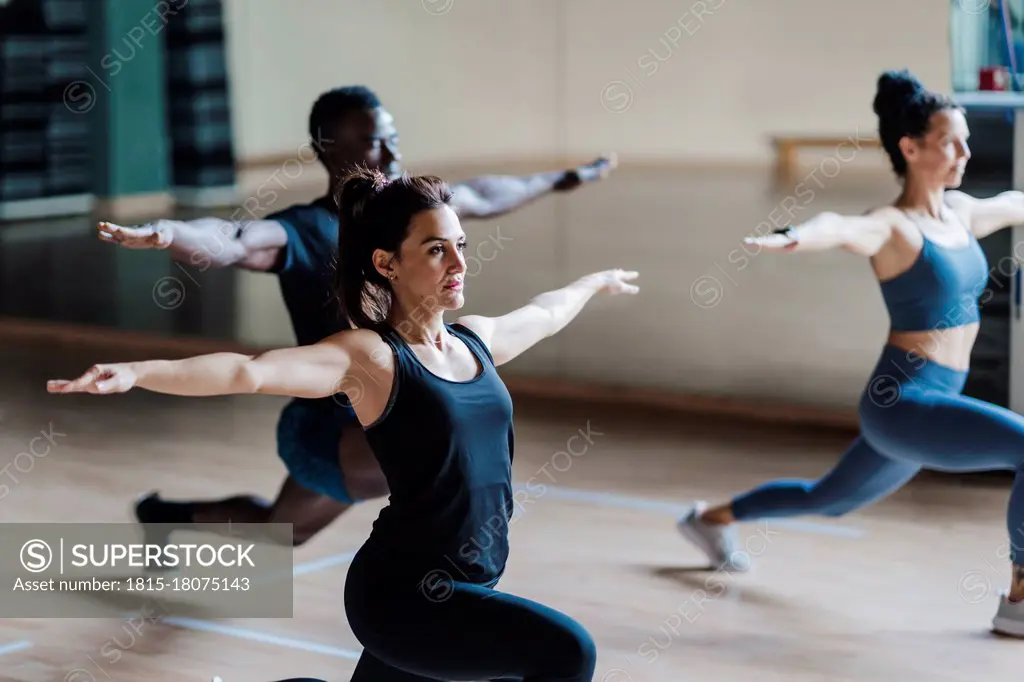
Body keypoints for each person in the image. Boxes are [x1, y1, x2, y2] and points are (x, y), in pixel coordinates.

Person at [52, 166, 639, 680]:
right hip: (405, 596)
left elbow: (544, 312)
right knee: (566, 654)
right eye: (437, 249)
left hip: (467, 580)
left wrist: (592, 283)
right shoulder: (372, 358)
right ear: (387, 262)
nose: (460, 262)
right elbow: (247, 372)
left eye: (460, 244)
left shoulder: (476, 341)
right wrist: (137, 371)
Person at [95, 85, 617, 547]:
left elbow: (484, 194)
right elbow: (229, 240)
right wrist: (169, 233)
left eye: (392, 138)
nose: (390, 153)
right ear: (329, 149)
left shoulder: (411, 216)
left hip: (383, 409)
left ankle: (164, 516)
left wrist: (565, 177)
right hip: (330, 426)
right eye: (372, 142)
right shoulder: (300, 230)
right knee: (441, 437)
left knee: (284, 531)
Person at [676, 69, 1024, 638]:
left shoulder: (961, 214)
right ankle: (1020, 601)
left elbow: (1013, 202)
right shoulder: (890, 227)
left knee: (828, 499)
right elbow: (835, 226)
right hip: (903, 403)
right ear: (910, 148)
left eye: (965, 140)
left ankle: (707, 519)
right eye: (949, 142)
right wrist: (793, 235)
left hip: (936, 401)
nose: (964, 151)